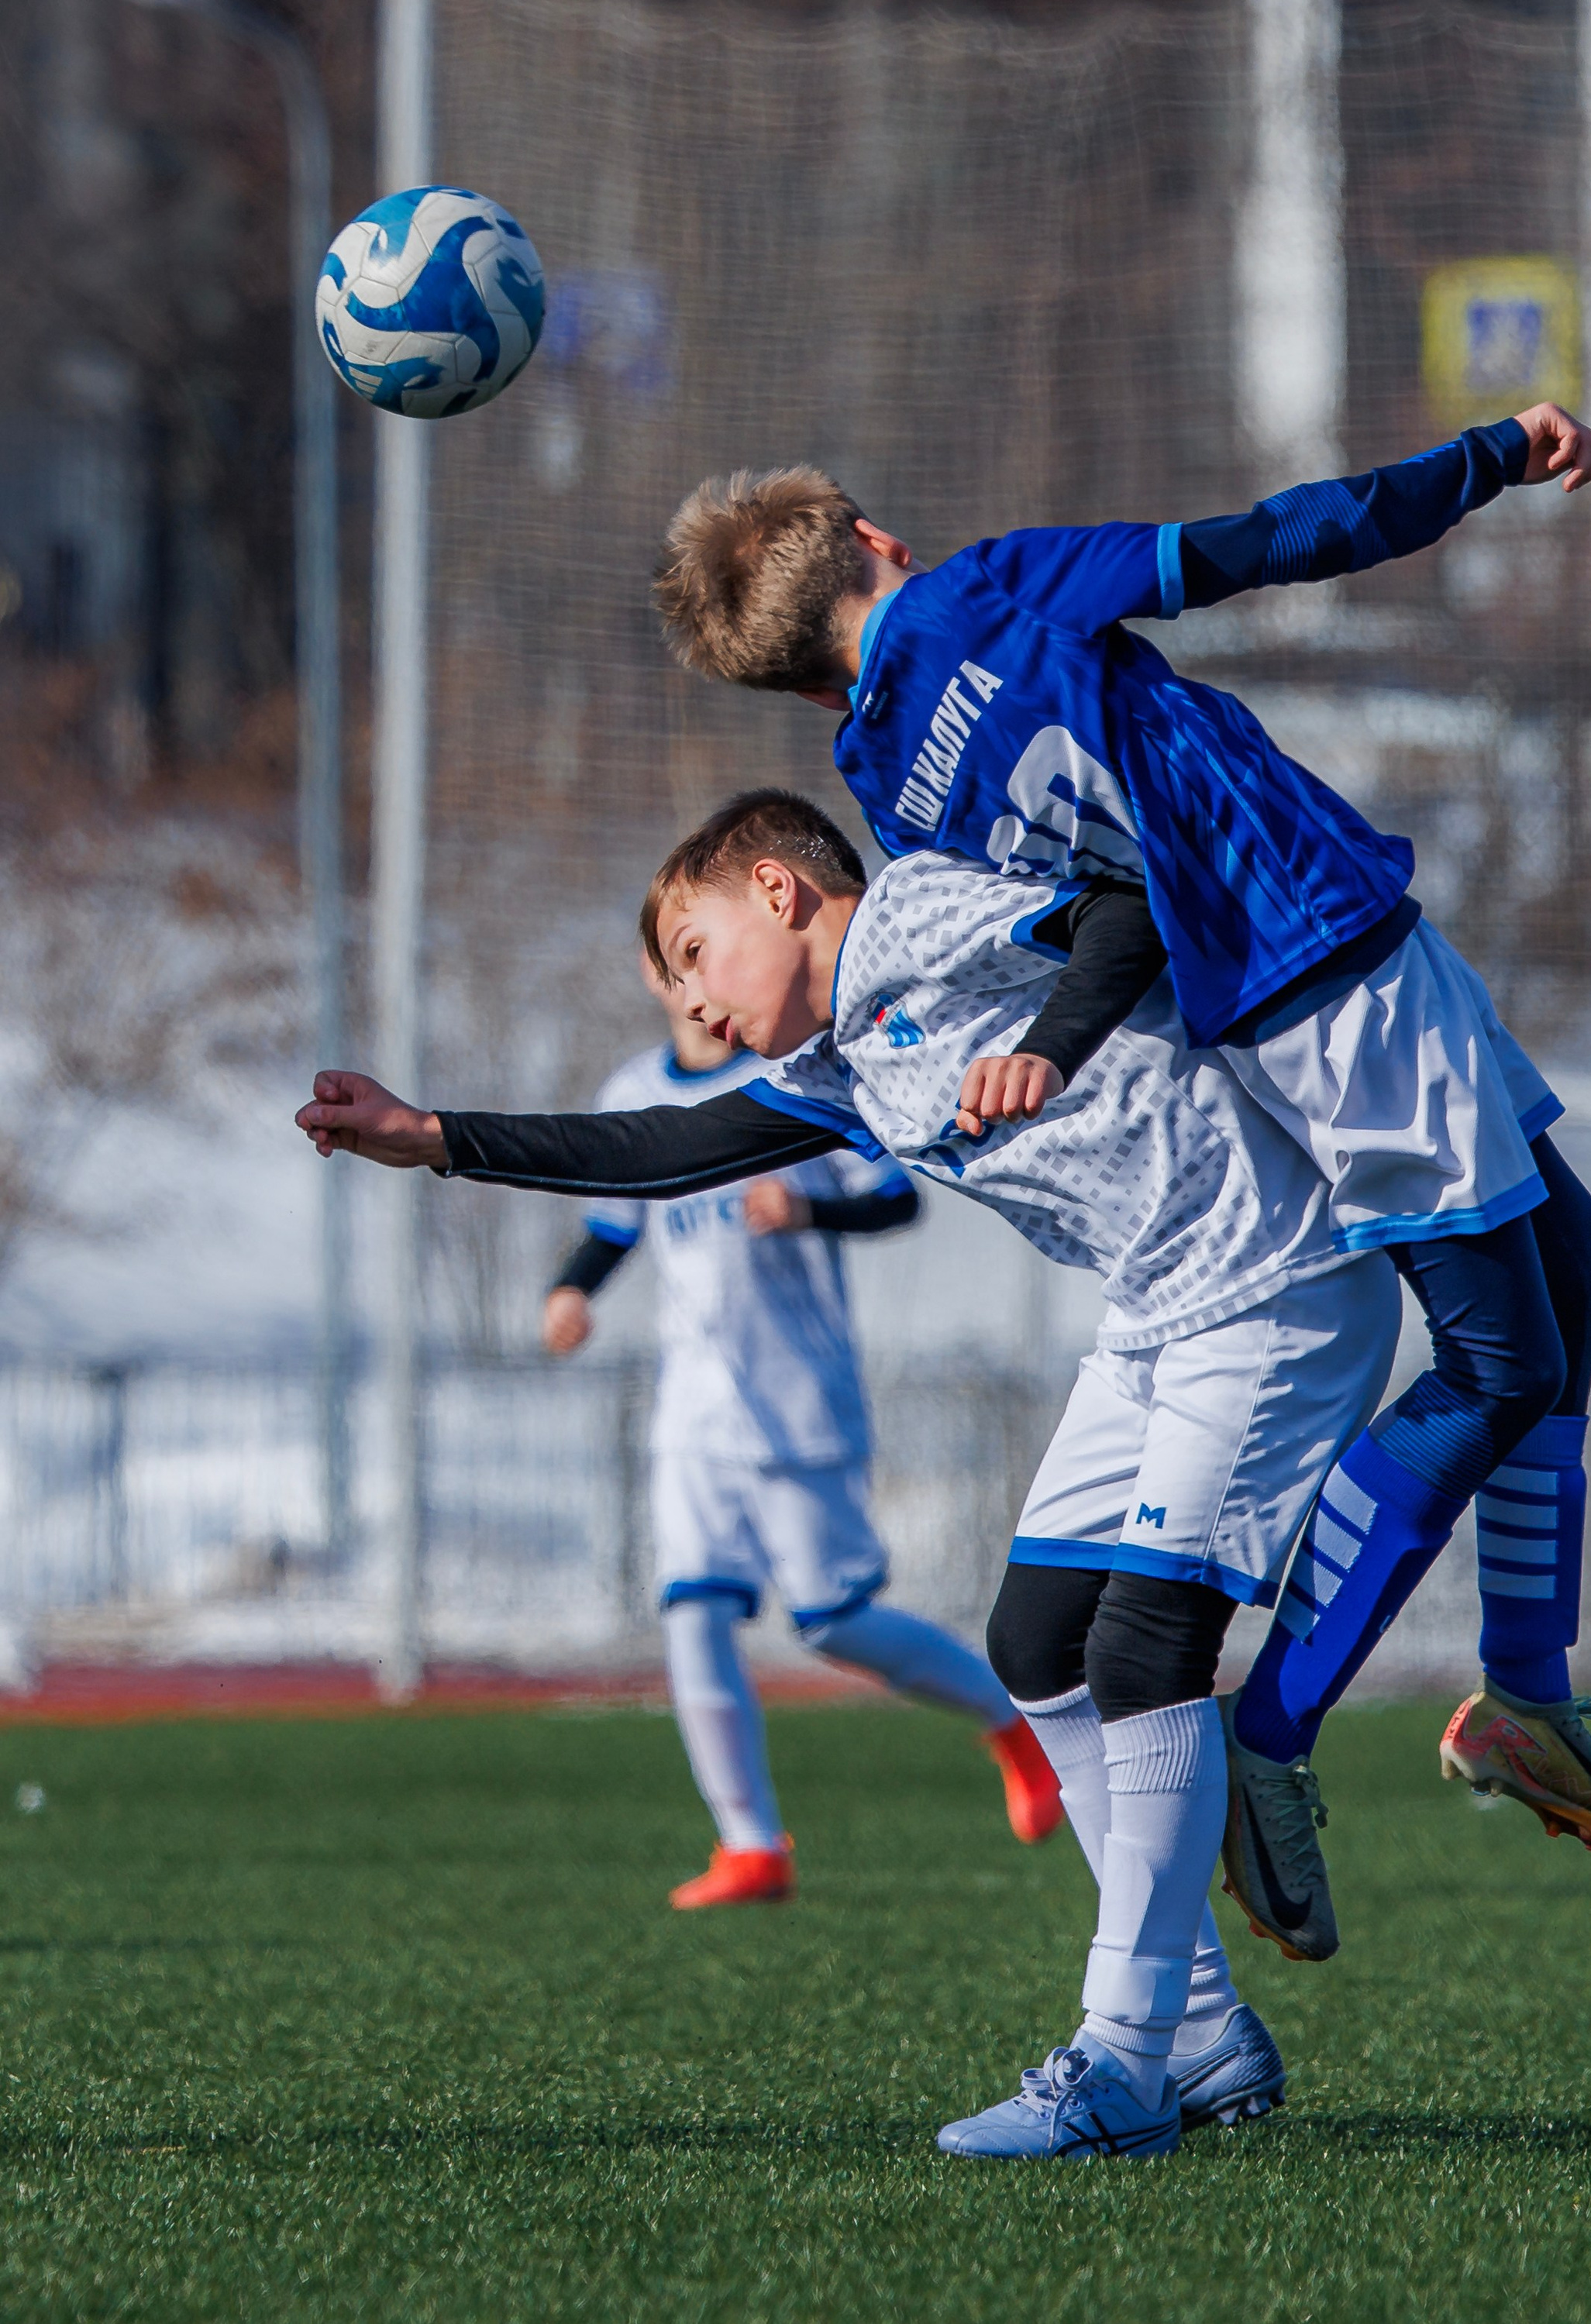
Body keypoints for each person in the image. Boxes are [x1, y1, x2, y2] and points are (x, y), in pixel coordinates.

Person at [648, 410, 1591, 1960]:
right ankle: (1278, 1725)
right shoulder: (991, 590)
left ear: (793, 686)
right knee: (1500, 1358)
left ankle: (1521, 1690)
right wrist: (1485, 463)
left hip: (1266, 986)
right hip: (1322, 951)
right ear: (871, 543)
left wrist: (1051, 1058)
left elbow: (1073, 923)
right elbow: (1269, 542)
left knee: (1570, 1263)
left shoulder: (883, 785)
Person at [298, 787, 1424, 2158]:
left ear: (776, 891)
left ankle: (1125, 2059)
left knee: (1146, 1644)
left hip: (1272, 1282)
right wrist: (435, 1137)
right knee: (1037, 1641)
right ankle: (1197, 2029)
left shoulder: (915, 914)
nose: (693, 1003)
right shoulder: (845, 1068)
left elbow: (1132, 901)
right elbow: (665, 1148)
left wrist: (1054, 1048)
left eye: (694, 950)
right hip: (1160, 1310)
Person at [542, 980, 1064, 1909]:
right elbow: (613, 1221)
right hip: (693, 1412)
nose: (688, 980)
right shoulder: (631, 1092)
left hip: (800, 1400)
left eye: (702, 951)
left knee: (832, 1622)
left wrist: (807, 1211)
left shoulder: (801, 1084)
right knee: (692, 1608)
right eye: (671, 957)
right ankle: (749, 1844)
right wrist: (573, 1289)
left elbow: (896, 1199)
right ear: (652, 972)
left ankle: (1011, 1720)